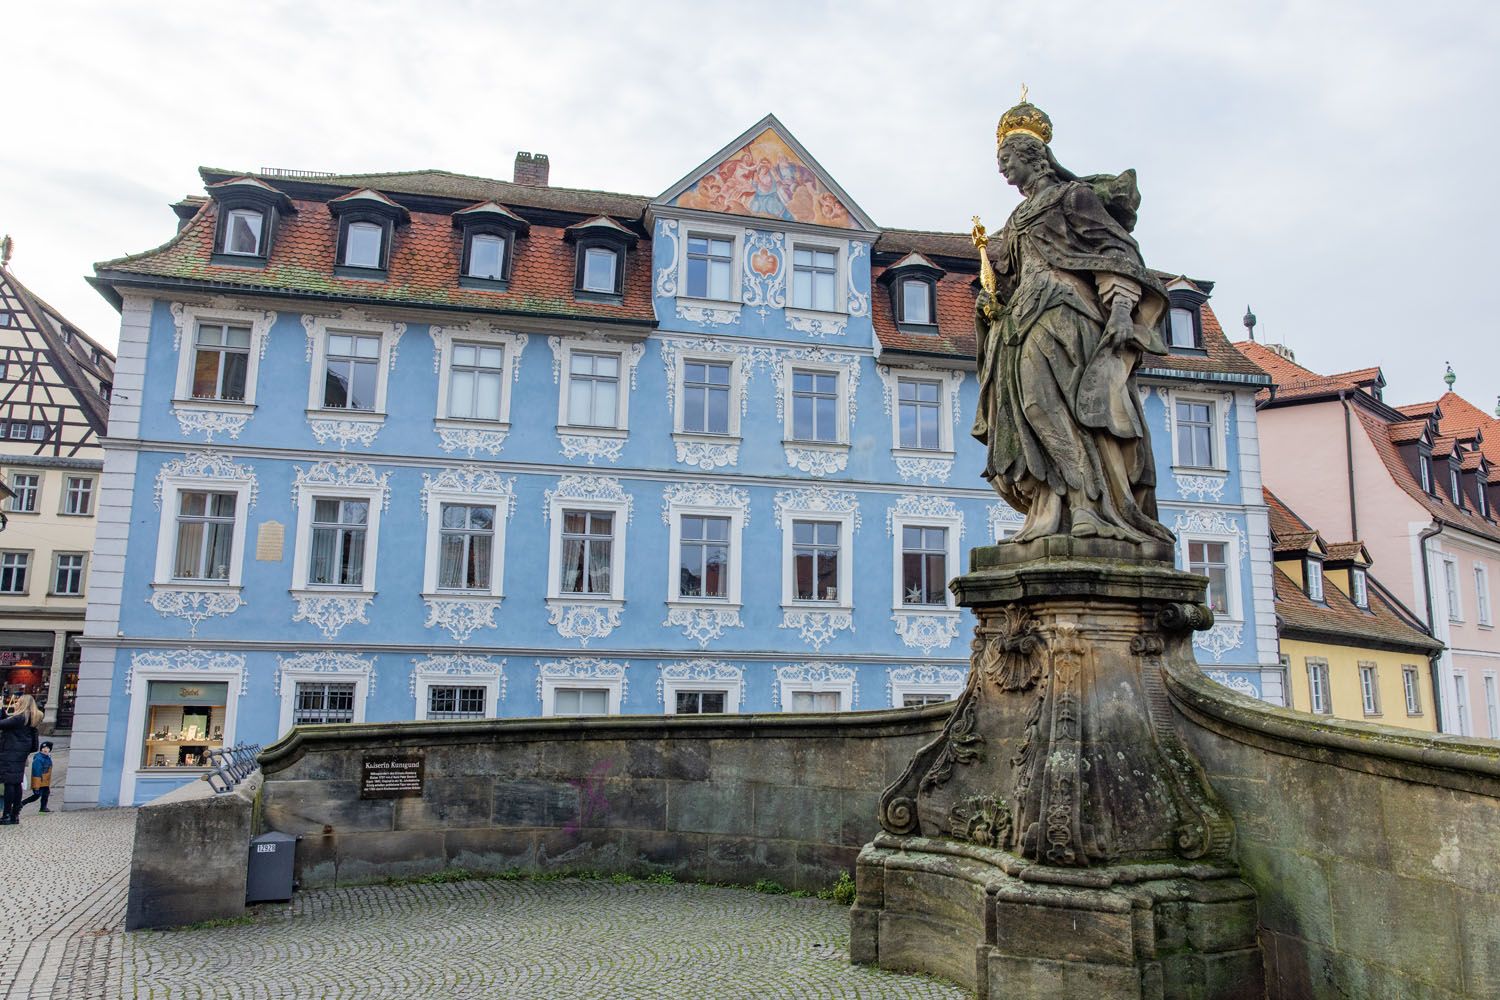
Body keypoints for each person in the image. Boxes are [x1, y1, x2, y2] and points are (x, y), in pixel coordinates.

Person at [972, 96, 1174, 547]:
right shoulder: (1015, 218)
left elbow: (1118, 254)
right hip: (1021, 321)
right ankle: (1051, 506)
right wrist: (990, 298)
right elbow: (1007, 278)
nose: (1002, 170)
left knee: (1070, 411)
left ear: (1032, 156)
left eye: (1005, 159)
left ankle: (1088, 505)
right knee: (1032, 411)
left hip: (1065, 311)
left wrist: (1121, 309)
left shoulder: (1072, 196)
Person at [0, 694, 42, 825]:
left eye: (18, 701)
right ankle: (14, 815)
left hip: (10, 754)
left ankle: (6, 815)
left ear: (23, 703)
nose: (16, 703)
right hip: (20, 755)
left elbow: (2, 724)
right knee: (17, 783)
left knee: (9, 784)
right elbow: (8, 722)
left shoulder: (20, 718)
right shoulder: (31, 718)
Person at [19, 740, 53, 814]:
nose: (45, 749)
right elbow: (36, 773)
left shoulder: (47, 758)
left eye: (47, 748)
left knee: (46, 794)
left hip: (45, 781)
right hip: (39, 781)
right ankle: (21, 804)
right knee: (36, 795)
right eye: (44, 748)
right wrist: (36, 786)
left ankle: (43, 808)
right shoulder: (38, 759)